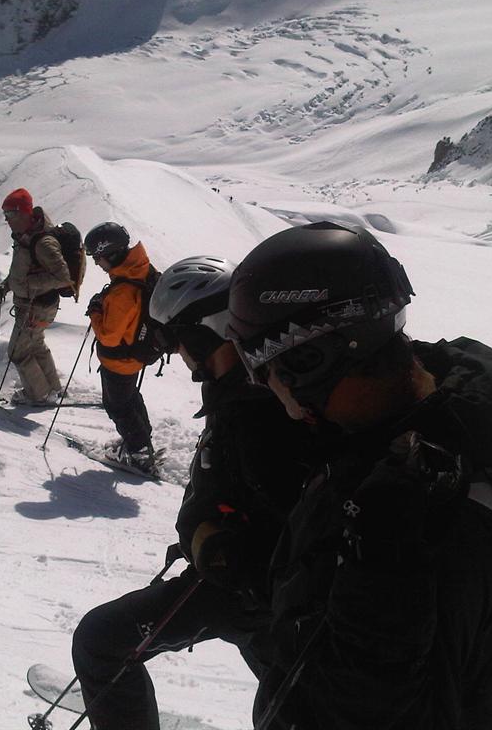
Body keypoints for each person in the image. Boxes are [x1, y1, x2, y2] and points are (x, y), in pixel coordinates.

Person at [225, 221, 492, 729]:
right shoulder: (444, 420)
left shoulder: (410, 517)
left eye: (263, 370)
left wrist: (375, 573)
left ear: (309, 358)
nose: (268, 390)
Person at [71, 256, 315, 730]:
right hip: (246, 591)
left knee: (100, 640)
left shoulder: (261, 408)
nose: (174, 353)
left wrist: (217, 544)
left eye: (176, 339)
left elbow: (289, 520)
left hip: (239, 590)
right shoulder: (243, 390)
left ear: (207, 331)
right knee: (288, 695)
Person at [83, 222, 158, 473]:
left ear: (111, 254)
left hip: (119, 360)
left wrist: (95, 311)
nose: (96, 263)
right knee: (129, 398)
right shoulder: (140, 269)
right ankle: (141, 441)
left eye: (98, 257)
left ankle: (139, 453)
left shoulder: (123, 291)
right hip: (135, 354)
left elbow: (108, 337)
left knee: (117, 406)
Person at [0, 188, 73, 405]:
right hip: (33, 305)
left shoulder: (43, 242)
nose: (7, 220)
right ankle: (53, 389)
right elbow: (22, 270)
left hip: (37, 306)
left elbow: (64, 277)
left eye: (10, 214)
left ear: (24, 212)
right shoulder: (24, 237)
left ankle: (38, 395)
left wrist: (29, 285)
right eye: (5, 215)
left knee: (17, 351)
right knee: (35, 345)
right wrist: (6, 285)